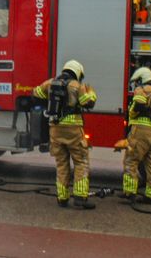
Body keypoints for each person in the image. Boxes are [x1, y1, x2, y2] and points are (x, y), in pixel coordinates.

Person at [33, 60, 98, 209]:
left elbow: (35, 94)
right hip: (73, 130)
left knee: (61, 164)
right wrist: (92, 93)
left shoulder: (50, 83)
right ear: (77, 72)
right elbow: (88, 103)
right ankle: (80, 198)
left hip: (55, 129)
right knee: (81, 162)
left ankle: (62, 198)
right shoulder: (77, 86)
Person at [121, 67, 151, 204]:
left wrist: (133, 111)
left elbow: (137, 104)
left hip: (140, 130)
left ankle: (129, 192)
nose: (136, 85)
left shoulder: (142, 90)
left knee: (131, 160)